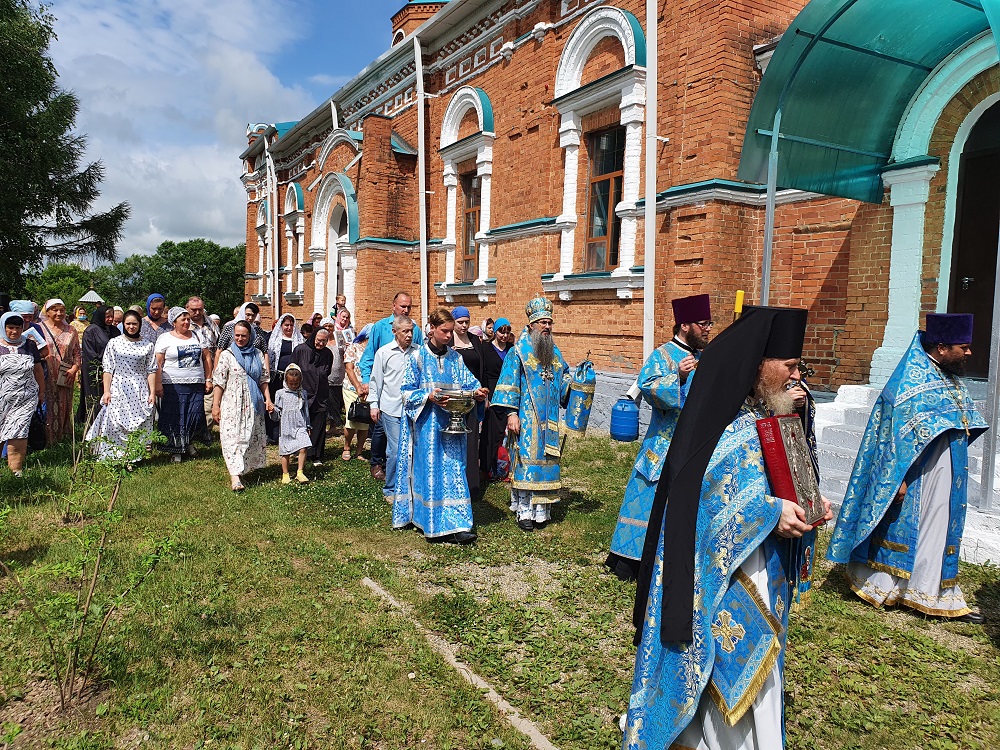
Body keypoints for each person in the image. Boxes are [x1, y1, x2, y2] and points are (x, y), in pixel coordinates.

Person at [625, 305, 832, 750]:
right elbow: (703, 504)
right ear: (759, 365)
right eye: (789, 367)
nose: (797, 377)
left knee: (763, 675)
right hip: (728, 578)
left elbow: (784, 479)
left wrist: (811, 503)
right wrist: (771, 514)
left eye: (799, 367)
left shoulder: (770, 415)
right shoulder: (727, 426)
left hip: (765, 568)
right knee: (727, 674)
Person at [827, 313, 987, 624]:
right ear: (941, 347)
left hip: (946, 471)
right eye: (963, 347)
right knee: (911, 527)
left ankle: (928, 591)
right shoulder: (908, 382)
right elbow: (892, 441)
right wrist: (896, 479)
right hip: (917, 477)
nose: (969, 353)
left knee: (938, 528)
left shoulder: (949, 378)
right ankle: (885, 587)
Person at [606, 293, 712, 582]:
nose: (708, 329)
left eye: (710, 323)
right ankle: (630, 563)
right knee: (646, 500)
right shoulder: (663, 355)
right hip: (663, 444)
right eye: (703, 324)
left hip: (695, 445)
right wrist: (675, 377)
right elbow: (647, 387)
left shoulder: (705, 357)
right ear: (685, 325)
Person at [392, 308, 487, 544]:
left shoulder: (456, 359)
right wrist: (428, 395)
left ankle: (459, 524)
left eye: (451, 331)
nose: (448, 336)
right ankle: (431, 522)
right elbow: (405, 393)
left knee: (455, 471)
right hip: (427, 428)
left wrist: (477, 391)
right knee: (431, 472)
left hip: (453, 427)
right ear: (432, 329)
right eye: (444, 331)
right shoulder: (417, 358)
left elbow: (469, 382)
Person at [490, 297, 572, 532]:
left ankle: (541, 511)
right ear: (531, 326)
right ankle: (525, 511)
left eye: (549, 323)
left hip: (551, 421)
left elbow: (563, 381)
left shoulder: (555, 353)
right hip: (526, 418)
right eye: (542, 323)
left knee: (546, 462)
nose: (546, 327)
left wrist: (577, 382)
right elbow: (509, 384)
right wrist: (511, 414)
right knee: (526, 462)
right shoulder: (519, 352)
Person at [359, 292, 425, 483]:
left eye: (409, 307)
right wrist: (369, 387)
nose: (405, 310)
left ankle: (402, 475)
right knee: (380, 431)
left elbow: (419, 358)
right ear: (393, 306)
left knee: (403, 442)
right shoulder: (380, 328)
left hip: (408, 398)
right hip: (386, 393)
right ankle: (377, 463)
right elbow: (371, 358)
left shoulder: (416, 330)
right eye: (402, 306)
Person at [86, 310, 158, 461]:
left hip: (139, 386)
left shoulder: (148, 345)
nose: (131, 327)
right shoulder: (114, 342)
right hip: (119, 385)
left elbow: (151, 370)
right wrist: (106, 391)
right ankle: (116, 454)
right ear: (123, 325)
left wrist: (152, 393)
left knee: (138, 422)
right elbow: (108, 369)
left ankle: (134, 455)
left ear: (139, 325)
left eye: (134, 324)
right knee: (116, 420)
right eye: (128, 324)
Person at [212, 320, 273, 491]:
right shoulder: (227, 355)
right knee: (232, 437)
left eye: (243, 336)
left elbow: (263, 380)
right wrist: (215, 405)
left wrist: (268, 399)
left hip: (252, 402)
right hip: (232, 402)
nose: (239, 338)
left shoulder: (258, 354)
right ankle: (235, 477)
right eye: (237, 335)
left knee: (248, 435)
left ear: (250, 336)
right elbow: (219, 382)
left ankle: (244, 467)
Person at [370, 315, 419, 502]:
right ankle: (391, 490)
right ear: (394, 332)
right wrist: (374, 405)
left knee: (412, 449)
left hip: (413, 408)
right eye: (404, 331)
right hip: (391, 408)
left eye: (411, 331)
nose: (408, 335)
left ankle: (411, 487)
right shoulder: (384, 353)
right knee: (396, 450)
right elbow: (376, 381)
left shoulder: (418, 352)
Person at [154, 307, 212, 462]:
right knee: (176, 415)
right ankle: (176, 449)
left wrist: (208, 379)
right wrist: (158, 383)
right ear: (174, 322)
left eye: (188, 319)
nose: (187, 322)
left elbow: (207, 358)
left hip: (196, 383)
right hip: (172, 384)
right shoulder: (165, 338)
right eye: (183, 320)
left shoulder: (197, 335)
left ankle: (189, 443)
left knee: (194, 414)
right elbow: (158, 363)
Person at [0, 312, 45, 477]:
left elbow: (38, 370)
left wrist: (41, 392)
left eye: (18, 328)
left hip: (24, 398)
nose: (14, 331)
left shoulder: (30, 345)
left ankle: (16, 474)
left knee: (19, 434)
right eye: (10, 327)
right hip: (1, 399)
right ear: (4, 328)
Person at [450, 306, 487, 495]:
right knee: (454, 439)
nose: (464, 326)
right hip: (453, 399)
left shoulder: (475, 340)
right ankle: (453, 482)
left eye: (467, 322)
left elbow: (482, 368)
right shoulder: (447, 342)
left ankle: (472, 484)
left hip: (473, 398)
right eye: (460, 322)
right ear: (453, 322)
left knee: (472, 439)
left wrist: (484, 394)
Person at [38, 299, 82, 444]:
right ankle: (45, 439)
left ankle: (62, 438)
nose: (59, 313)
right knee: (47, 405)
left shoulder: (71, 330)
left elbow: (77, 353)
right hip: (45, 374)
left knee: (64, 404)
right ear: (47, 312)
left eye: (62, 310)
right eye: (55, 310)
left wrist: (74, 368)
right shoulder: (39, 329)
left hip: (65, 374)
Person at [292, 327, 333, 466]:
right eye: (318, 340)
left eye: (324, 341)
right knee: (302, 424)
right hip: (304, 392)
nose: (321, 344)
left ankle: (316, 455)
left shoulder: (328, 353)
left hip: (321, 393)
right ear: (313, 337)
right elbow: (292, 371)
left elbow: (327, 372)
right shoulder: (300, 350)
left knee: (319, 424)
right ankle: (301, 451)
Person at [478, 317, 514, 480]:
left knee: (507, 433)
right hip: (492, 391)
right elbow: (483, 373)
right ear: (495, 332)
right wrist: (486, 396)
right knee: (491, 432)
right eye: (501, 331)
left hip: (509, 391)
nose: (504, 335)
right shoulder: (485, 349)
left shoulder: (512, 349)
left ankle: (505, 467)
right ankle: (488, 467)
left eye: (507, 332)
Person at [270, 363, 312, 485]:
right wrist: (272, 411)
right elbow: (277, 412)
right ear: (286, 381)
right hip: (286, 426)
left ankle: (300, 472)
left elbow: (306, 411)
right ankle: (285, 473)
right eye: (291, 384)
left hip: (300, 424)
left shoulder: (302, 393)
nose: (293, 386)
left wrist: (308, 425)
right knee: (286, 450)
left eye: (296, 384)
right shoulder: (280, 393)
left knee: (303, 446)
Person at [79, 305, 120, 426]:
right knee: (96, 396)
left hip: (114, 370)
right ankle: (95, 424)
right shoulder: (91, 330)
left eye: (112, 316)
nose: (110, 319)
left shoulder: (114, 330)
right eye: (107, 316)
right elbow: (89, 353)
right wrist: (101, 367)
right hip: (96, 370)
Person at [265, 314, 304, 443]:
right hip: (276, 376)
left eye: (291, 325)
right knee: (275, 404)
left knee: (289, 405)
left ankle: (288, 433)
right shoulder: (274, 339)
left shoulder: (298, 340)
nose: (289, 328)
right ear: (281, 326)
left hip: (292, 379)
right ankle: (272, 434)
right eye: (286, 325)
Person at [186, 296, 220, 438]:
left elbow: (219, 346)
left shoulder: (211, 323)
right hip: (190, 371)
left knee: (208, 404)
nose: (197, 313)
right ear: (187, 308)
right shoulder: (184, 324)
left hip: (210, 370)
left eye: (200, 309)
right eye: (193, 310)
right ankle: (192, 432)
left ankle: (205, 431)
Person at [342, 325, 371, 460]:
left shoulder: (375, 351)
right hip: (351, 388)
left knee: (364, 421)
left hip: (368, 390)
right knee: (352, 419)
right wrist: (358, 386)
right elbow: (349, 369)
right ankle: (347, 447)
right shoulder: (353, 347)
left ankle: (359, 451)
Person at [328, 307, 355, 432]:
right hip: (335, 364)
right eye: (342, 317)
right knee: (332, 396)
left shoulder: (351, 331)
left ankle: (347, 421)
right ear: (338, 317)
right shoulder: (332, 330)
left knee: (343, 396)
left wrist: (351, 345)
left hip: (346, 366)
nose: (344, 319)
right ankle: (334, 422)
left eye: (347, 317)